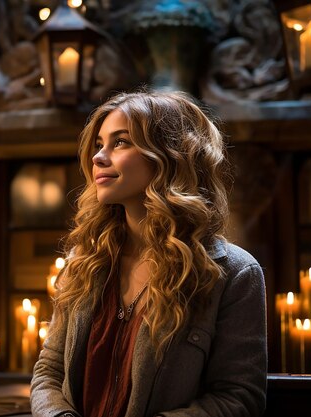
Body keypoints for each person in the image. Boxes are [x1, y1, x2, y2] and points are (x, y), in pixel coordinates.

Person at [30, 89, 267, 417]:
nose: (99, 157)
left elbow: (238, 397)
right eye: (99, 144)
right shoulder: (83, 263)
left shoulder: (234, 273)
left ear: (170, 155)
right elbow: (48, 372)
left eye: (121, 142)